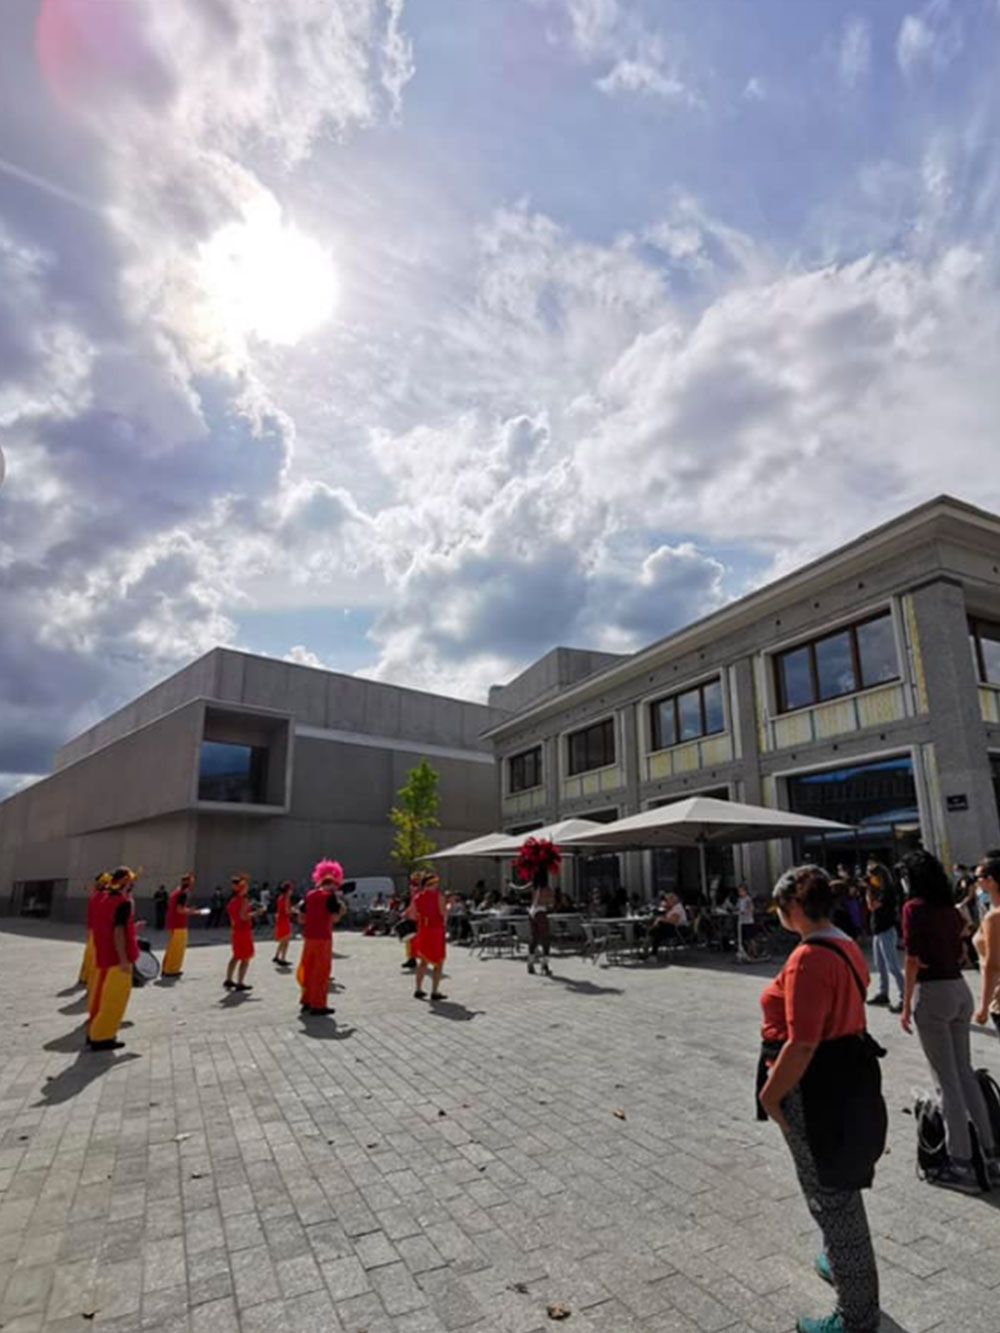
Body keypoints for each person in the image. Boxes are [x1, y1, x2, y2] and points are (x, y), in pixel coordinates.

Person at [758, 865, 884, 1333]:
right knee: (837, 1187)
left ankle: (856, 1316)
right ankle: (838, 1257)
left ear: (793, 908)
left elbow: (804, 1042)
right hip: (844, 1075)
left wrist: (772, 1097)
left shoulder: (810, 957)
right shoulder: (845, 943)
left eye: (778, 909)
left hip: (814, 1087)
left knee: (831, 1197)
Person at [899, 849, 999, 1191]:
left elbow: (911, 959)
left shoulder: (914, 909)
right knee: (965, 1073)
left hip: (933, 994)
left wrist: (904, 1004)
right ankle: (990, 1155)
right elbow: (962, 940)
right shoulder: (948, 909)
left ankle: (961, 1163)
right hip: (959, 989)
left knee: (946, 1081)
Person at [88, 866, 141, 1051]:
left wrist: (133, 928)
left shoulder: (101, 898)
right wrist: (124, 959)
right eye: (131, 881)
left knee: (100, 995)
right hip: (116, 958)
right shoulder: (122, 902)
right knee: (115, 998)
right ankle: (103, 1036)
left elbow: (111, 925)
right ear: (126, 881)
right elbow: (118, 932)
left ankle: (94, 1031)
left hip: (103, 954)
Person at [296, 861, 345, 1015]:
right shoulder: (330, 897)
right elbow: (336, 918)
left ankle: (307, 1000)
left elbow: (301, 918)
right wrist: (342, 909)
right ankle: (319, 1005)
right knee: (322, 971)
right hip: (323, 937)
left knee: (308, 968)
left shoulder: (309, 895)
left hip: (309, 937)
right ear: (332, 884)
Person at [513, 839, 562, 978]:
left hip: (532, 911)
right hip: (540, 910)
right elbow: (551, 904)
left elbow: (520, 889)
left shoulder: (534, 885)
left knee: (534, 938)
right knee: (545, 939)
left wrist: (511, 885)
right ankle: (545, 965)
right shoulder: (545, 887)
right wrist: (554, 900)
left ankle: (530, 963)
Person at [864, 864, 903, 1013]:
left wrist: (868, 890)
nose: (870, 879)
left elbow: (872, 906)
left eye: (872, 876)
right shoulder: (878, 890)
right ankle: (883, 993)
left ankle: (903, 996)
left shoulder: (887, 891)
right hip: (878, 931)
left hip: (886, 930)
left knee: (892, 966)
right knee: (879, 965)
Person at [407, 869, 448, 1001]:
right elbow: (443, 914)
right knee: (438, 961)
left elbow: (412, 915)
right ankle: (434, 991)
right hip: (436, 930)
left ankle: (418, 989)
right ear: (433, 884)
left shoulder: (417, 898)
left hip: (423, 930)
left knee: (423, 961)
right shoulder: (439, 897)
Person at [973, 853, 1000, 1037]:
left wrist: (983, 1007)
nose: (976, 883)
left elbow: (992, 965)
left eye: (978, 878)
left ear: (991, 881)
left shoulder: (994, 918)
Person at [224, 875, 256, 992]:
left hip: (236, 930)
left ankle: (228, 979)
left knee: (236, 956)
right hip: (244, 931)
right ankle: (240, 982)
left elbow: (233, 917)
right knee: (245, 957)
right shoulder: (244, 900)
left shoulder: (232, 901)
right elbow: (243, 916)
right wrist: (255, 913)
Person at [161, 874, 196, 978]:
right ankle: (171, 970)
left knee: (171, 946)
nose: (192, 884)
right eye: (191, 882)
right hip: (179, 923)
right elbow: (180, 909)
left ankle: (166, 968)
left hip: (173, 922)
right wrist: (192, 912)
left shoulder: (176, 892)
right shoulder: (182, 894)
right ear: (187, 883)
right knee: (177, 947)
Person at [78, 872, 109, 991]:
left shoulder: (95, 895)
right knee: (95, 956)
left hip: (93, 929)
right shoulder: (104, 896)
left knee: (90, 954)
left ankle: (84, 977)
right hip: (100, 930)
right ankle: (92, 980)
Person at [272, 880, 295, 967]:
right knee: (286, 940)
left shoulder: (280, 897)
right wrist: (293, 910)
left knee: (282, 939)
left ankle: (277, 956)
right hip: (284, 920)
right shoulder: (286, 898)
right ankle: (283, 958)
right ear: (288, 890)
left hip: (280, 919)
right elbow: (286, 911)